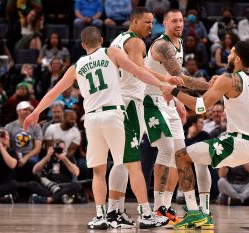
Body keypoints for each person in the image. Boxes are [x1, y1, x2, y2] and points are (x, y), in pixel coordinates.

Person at [23, 26, 168, 230]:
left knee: (98, 171)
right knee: (132, 165)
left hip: (91, 119)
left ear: (83, 45)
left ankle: (100, 216)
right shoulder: (111, 52)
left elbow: (54, 92)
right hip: (113, 114)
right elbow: (137, 71)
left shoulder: (77, 65)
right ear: (101, 39)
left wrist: (35, 112)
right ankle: (145, 214)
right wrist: (162, 85)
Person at [162, 41, 249, 229]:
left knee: (181, 157)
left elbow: (200, 107)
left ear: (238, 59)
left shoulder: (228, 80)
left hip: (236, 142)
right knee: (200, 159)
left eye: (231, 53)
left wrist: (174, 91)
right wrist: (218, 85)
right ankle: (204, 213)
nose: (227, 56)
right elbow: (234, 93)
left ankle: (193, 213)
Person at [107, 7, 182, 228]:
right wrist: (165, 82)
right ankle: (139, 212)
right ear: (135, 22)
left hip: (119, 101)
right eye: (147, 22)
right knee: (129, 161)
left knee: (121, 161)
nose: (151, 26)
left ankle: (115, 210)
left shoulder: (117, 40)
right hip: (130, 103)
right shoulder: (136, 42)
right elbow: (140, 70)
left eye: (152, 22)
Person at [142, 8, 212, 229]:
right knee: (165, 150)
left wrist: (179, 101)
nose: (179, 24)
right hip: (150, 100)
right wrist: (211, 86)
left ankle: (165, 207)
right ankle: (156, 208)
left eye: (181, 20)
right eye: (174, 21)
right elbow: (181, 78)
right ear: (164, 24)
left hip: (168, 101)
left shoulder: (180, 44)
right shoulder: (162, 45)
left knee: (180, 155)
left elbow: (173, 82)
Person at [28, 140, 81, 204]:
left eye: (61, 149)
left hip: (63, 186)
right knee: (31, 184)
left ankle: (49, 199)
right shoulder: (48, 157)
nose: (59, 151)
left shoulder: (69, 158)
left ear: (65, 150)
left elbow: (76, 172)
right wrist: (47, 156)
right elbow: (34, 171)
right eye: (57, 149)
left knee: (77, 185)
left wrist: (64, 158)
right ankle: (61, 198)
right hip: (49, 186)